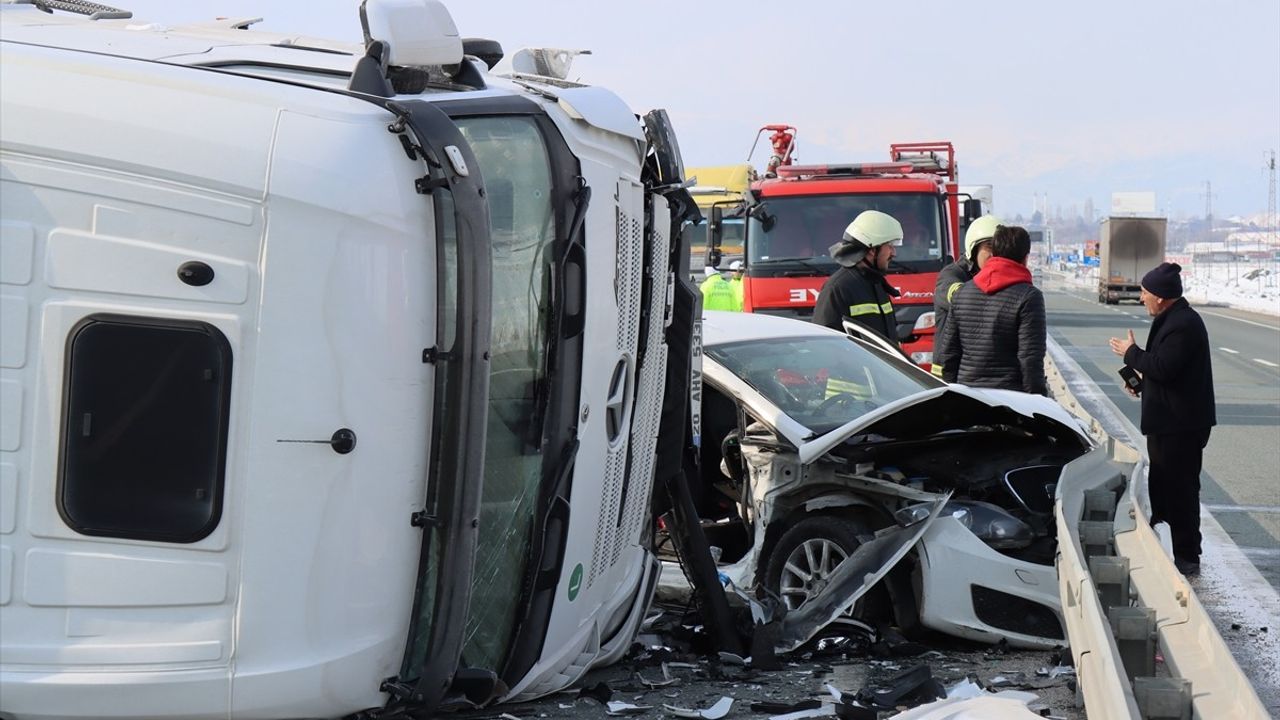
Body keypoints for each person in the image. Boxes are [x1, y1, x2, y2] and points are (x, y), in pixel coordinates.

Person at [1108, 262, 1215, 577]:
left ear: (1162, 296)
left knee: (1180, 490)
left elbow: (1165, 368)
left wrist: (1131, 353)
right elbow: (1164, 370)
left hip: (1180, 425)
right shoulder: (1172, 319)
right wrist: (1141, 381)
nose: (1141, 298)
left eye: (1144, 292)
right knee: (1164, 487)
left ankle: (1186, 557)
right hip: (1169, 422)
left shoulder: (1183, 324)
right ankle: (1167, 546)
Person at [936, 225, 1047, 395]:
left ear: (994, 254)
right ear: (1025, 258)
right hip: (1011, 400)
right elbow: (1030, 359)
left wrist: (952, 397)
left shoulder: (962, 293)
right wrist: (1039, 405)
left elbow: (949, 354)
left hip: (969, 397)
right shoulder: (1029, 297)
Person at [812, 209, 902, 348]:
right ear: (873, 250)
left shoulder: (876, 284)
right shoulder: (838, 288)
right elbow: (825, 346)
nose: (894, 253)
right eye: (889, 246)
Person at [931, 215, 1001, 376]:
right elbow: (960, 298)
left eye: (999, 249)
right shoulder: (951, 274)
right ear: (974, 248)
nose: (994, 254)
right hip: (949, 374)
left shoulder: (999, 279)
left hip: (978, 372)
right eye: (989, 246)